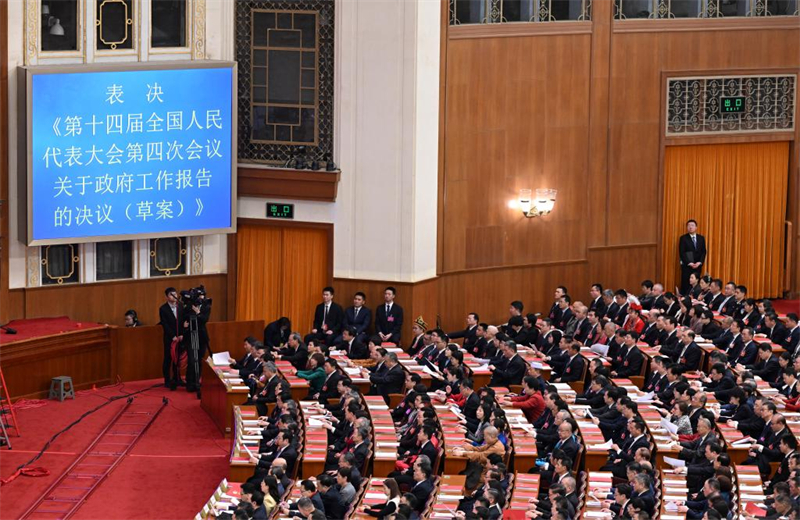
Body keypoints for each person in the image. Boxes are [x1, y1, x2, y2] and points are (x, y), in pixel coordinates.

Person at [158, 287, 185, 390]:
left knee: (178, 359)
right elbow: (165, 324)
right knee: (168, 359)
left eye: (175, 294)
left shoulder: (181, 306)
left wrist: (182, 334)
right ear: (166, 297)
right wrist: (173, 336)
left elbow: (183, 322)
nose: (174, 296)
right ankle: (167, 380)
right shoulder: (163, 309)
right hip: (170, 338)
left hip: (180, 337)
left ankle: (177, 378)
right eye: (171, 294)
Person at [679, 219, 707, 295]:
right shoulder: (683, 238)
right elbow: (682, 253)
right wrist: (689, 263)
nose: (690, 227)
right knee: (686, 284)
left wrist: (700, 262)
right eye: (688, 225)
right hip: (687, 266)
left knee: (697, 284)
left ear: (696, 227)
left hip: (698, 266)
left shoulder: (701, 238)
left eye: (692, 225)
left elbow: (703, 251)